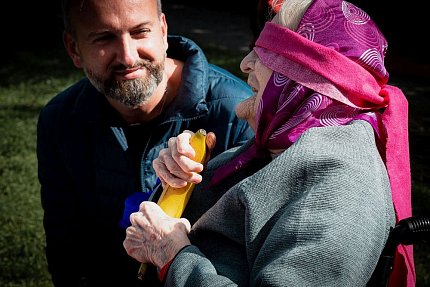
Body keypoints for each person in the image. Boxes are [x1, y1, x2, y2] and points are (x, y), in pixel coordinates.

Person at [123, 0, 415, 286]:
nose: (245, 63)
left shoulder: (341, 188)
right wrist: (182, 181)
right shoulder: (286, 144)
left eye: (265, 52)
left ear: (305, 76)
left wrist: (173, 257)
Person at [36, 0, 254, 286]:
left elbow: (251, 251)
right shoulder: (60, 120)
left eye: (140, 32)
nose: (127, 57)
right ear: (74, 48)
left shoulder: (236, 113)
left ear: (163, 31)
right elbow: (66, 246)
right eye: (104, 38)